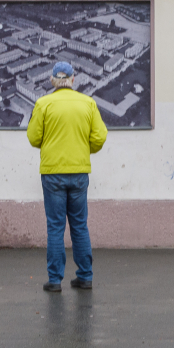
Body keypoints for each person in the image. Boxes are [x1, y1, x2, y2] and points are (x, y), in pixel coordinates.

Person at [26, 62, 108, 292]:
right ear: (73, 79)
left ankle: (55, 280)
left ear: (52, 80)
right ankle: (85, 276)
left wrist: (51, 144)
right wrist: (84, 149)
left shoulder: (43, 104)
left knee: (55, 227)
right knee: (79, 225)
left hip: (52, 173)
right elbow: (100, 137)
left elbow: (33, 138)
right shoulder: (88, 103)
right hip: (79, 171)